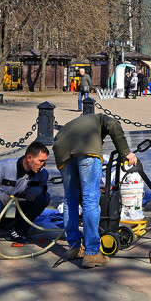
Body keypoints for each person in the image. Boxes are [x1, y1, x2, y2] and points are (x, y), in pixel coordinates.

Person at [53, 113, 137, 268]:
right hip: (87, 149)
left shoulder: (81, 121)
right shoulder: (102, 119)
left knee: (69, 199)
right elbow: (113, 126)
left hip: (61, 148)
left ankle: (74, 247)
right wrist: (127, 152)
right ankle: (92, 252)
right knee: (90, 198)